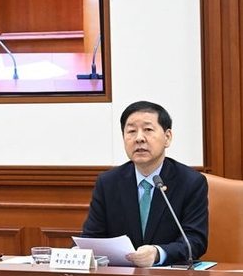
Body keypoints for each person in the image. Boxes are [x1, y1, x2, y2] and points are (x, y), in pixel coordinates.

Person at [80, 101, 208, 267]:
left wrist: (157, 253)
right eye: (131, 131)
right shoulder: (108, 182)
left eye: (148, 129)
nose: (139, 138)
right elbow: (92, 236)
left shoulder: (190, 182)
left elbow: (195, 241)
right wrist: (78, 252)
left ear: (167, 137)